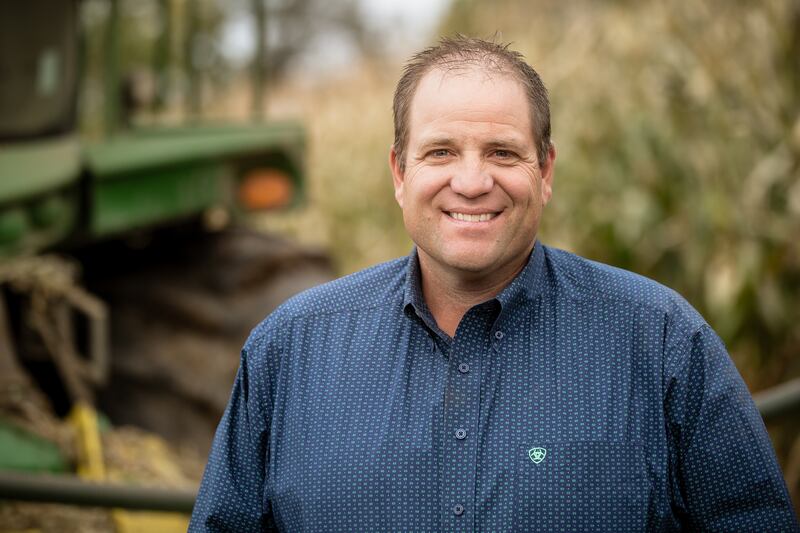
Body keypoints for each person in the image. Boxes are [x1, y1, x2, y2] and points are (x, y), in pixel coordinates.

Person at [189, 36, 798, 532]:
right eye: (441, 152)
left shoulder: (661, 343)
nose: (473, 181)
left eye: (503, 152)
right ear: (400, 172)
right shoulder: (289, 352)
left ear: (546, 169)